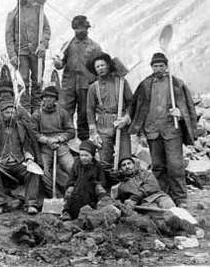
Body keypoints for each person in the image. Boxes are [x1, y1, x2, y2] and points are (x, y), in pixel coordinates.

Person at [129, 52, 197, 208]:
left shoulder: (177, 84)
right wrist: (135, 127)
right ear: (151, 67)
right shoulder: (145, 84)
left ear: (166, 66)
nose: (158, 68)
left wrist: (179, 113)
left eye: (161, 65)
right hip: (152, 131)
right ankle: (161, 195)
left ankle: (180, 198)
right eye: (155, 66)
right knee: (158, 166)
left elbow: (188, 107)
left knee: (175, 166)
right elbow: (135, 105)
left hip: (171, 131)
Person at [0, 98, 42, 214]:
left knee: (34, 172)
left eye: (12, 113)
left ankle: (31, 203)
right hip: (2, 165)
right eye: (7, 113)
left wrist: (29, 159)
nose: (10, 115)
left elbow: (26, 147)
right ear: (2, 114)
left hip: (19, 163)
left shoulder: (21, 128)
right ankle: (0, 203)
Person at [86, 53, 133, 188]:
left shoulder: (121, 82)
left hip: (121, 123)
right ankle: (106, 191)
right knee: (105, 160)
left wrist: (126, 117)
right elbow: (89, 110)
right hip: (103, 124)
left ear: (108, 66)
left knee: (125, 159)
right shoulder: (93, 87)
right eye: (97, 66)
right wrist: (93, 132)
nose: (100, 68)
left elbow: (131, 103)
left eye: (102, 65)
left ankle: (128, 190)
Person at [53, 15, 102, 140]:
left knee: (84, 112)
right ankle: (66, 137)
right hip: (69, 83)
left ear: (87, 28)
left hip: (86, 84)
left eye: (82, 28)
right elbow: (60, 64)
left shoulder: (95, 47)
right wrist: (58, 63)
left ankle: (83, 140)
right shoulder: (67, 45)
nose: (79, 31)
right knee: (65, 110)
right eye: (76, 29)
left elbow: (101, 67)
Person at [5, 0, 51, 111]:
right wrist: (12, 55)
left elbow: (46, 29)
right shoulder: (12, 15)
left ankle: (37, 111)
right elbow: (8, 37)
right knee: (23, 83)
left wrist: (43, 44)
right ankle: (25, 112)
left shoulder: (37, 10)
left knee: (37, 81)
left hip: (37, 52)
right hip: (21, 54)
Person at [31, 86, 75, 195]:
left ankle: (75, 192)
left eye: (51, 98)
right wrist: (46, 140)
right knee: (43, 171)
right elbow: (33, 132)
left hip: (61, 146)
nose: (48, 100)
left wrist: (59, 139)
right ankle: (53, 194)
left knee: (72, 167)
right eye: (45, 98)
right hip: (45, 148)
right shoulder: (37, 114)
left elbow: (71, 131)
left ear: (55, 100)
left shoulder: (62, 113)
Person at [61, 140, 107, 221]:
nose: (83, 158)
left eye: (86, 155)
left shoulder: (97, 166)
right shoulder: (77, 164)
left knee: (100, 190)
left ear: (92, 156)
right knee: (69, 192)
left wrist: (98, 185)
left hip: (91, 190)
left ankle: (92, 212)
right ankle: (66, 212)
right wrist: (70, 185)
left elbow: (102, 180)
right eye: (81, 155)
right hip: (77, 190)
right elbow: (71, 178)